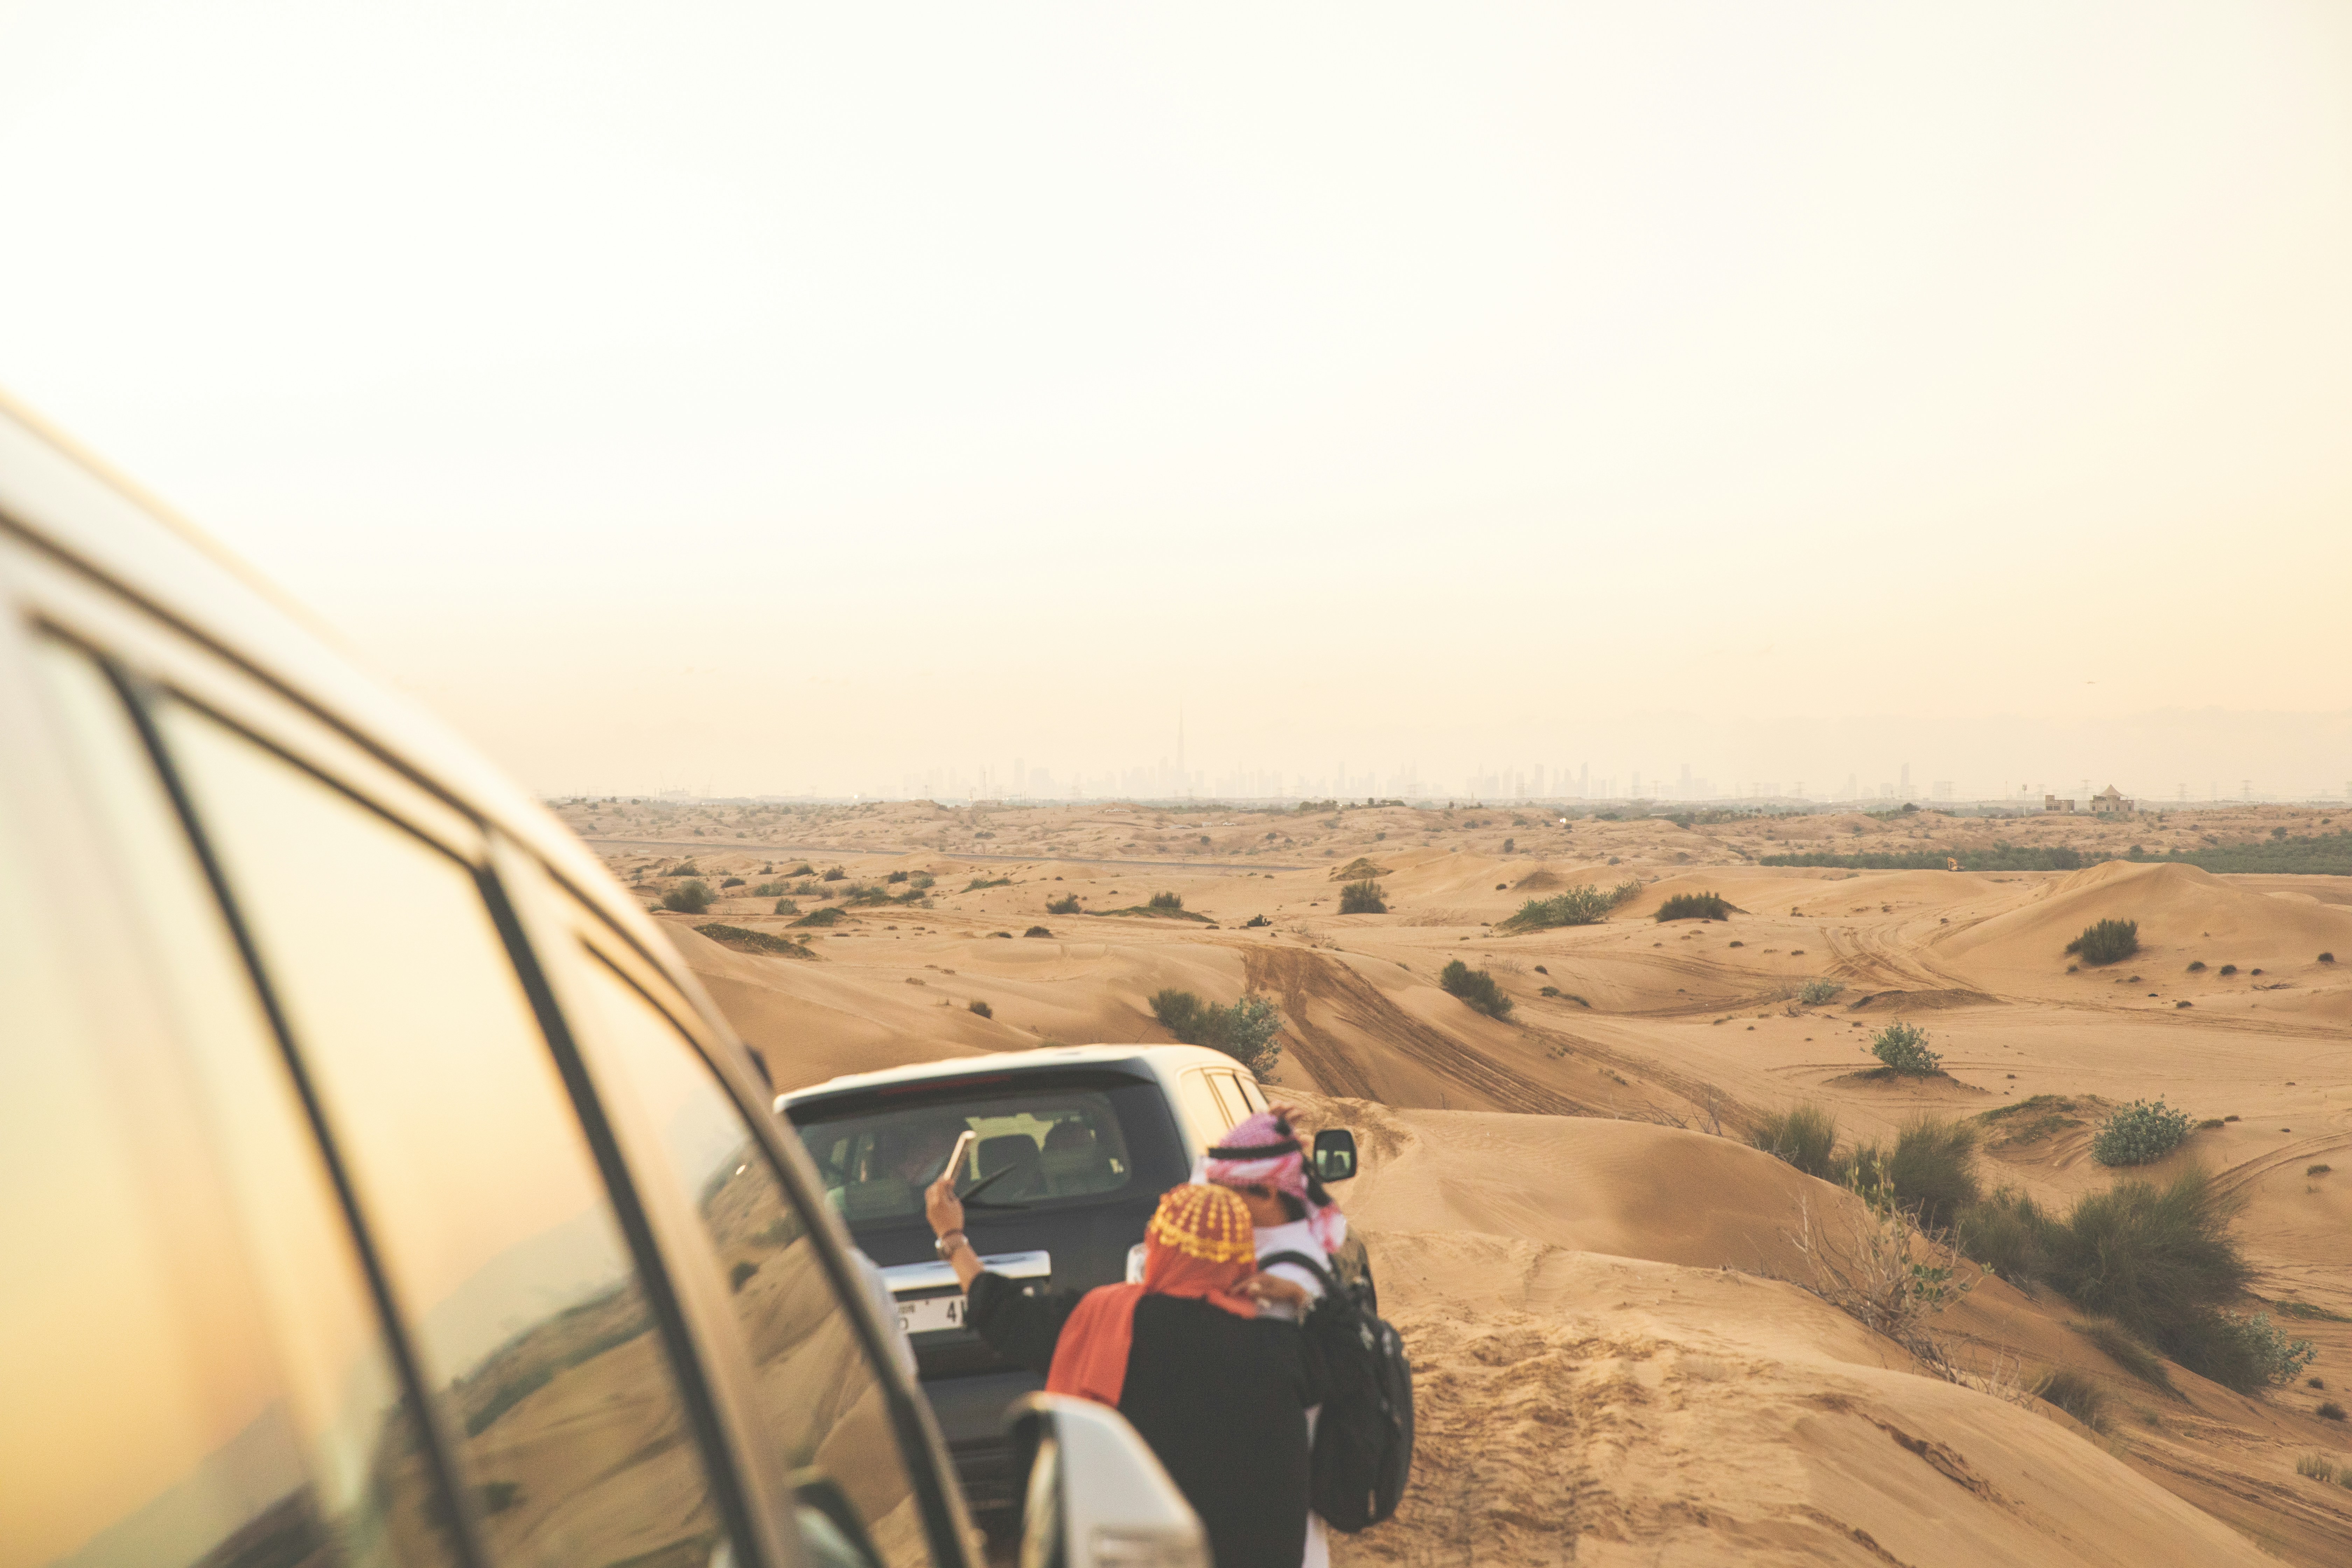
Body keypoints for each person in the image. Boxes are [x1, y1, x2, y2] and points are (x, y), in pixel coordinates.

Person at [925, 1176, 1323, 1568]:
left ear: (1159, 1247)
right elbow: (1355, 1366)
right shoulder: (1283, 1345)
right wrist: (1302, 1299)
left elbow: (1004, 1313)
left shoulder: (1107, 1321)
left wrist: (954, 1238)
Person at [1204, 1109, 1348, 1568]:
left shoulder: (1284, 1272)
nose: (1214, 1206)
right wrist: (1261, 1130)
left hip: (1278, 1472)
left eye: (1226, 1195)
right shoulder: (1282, 1241)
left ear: (1265, 1192)